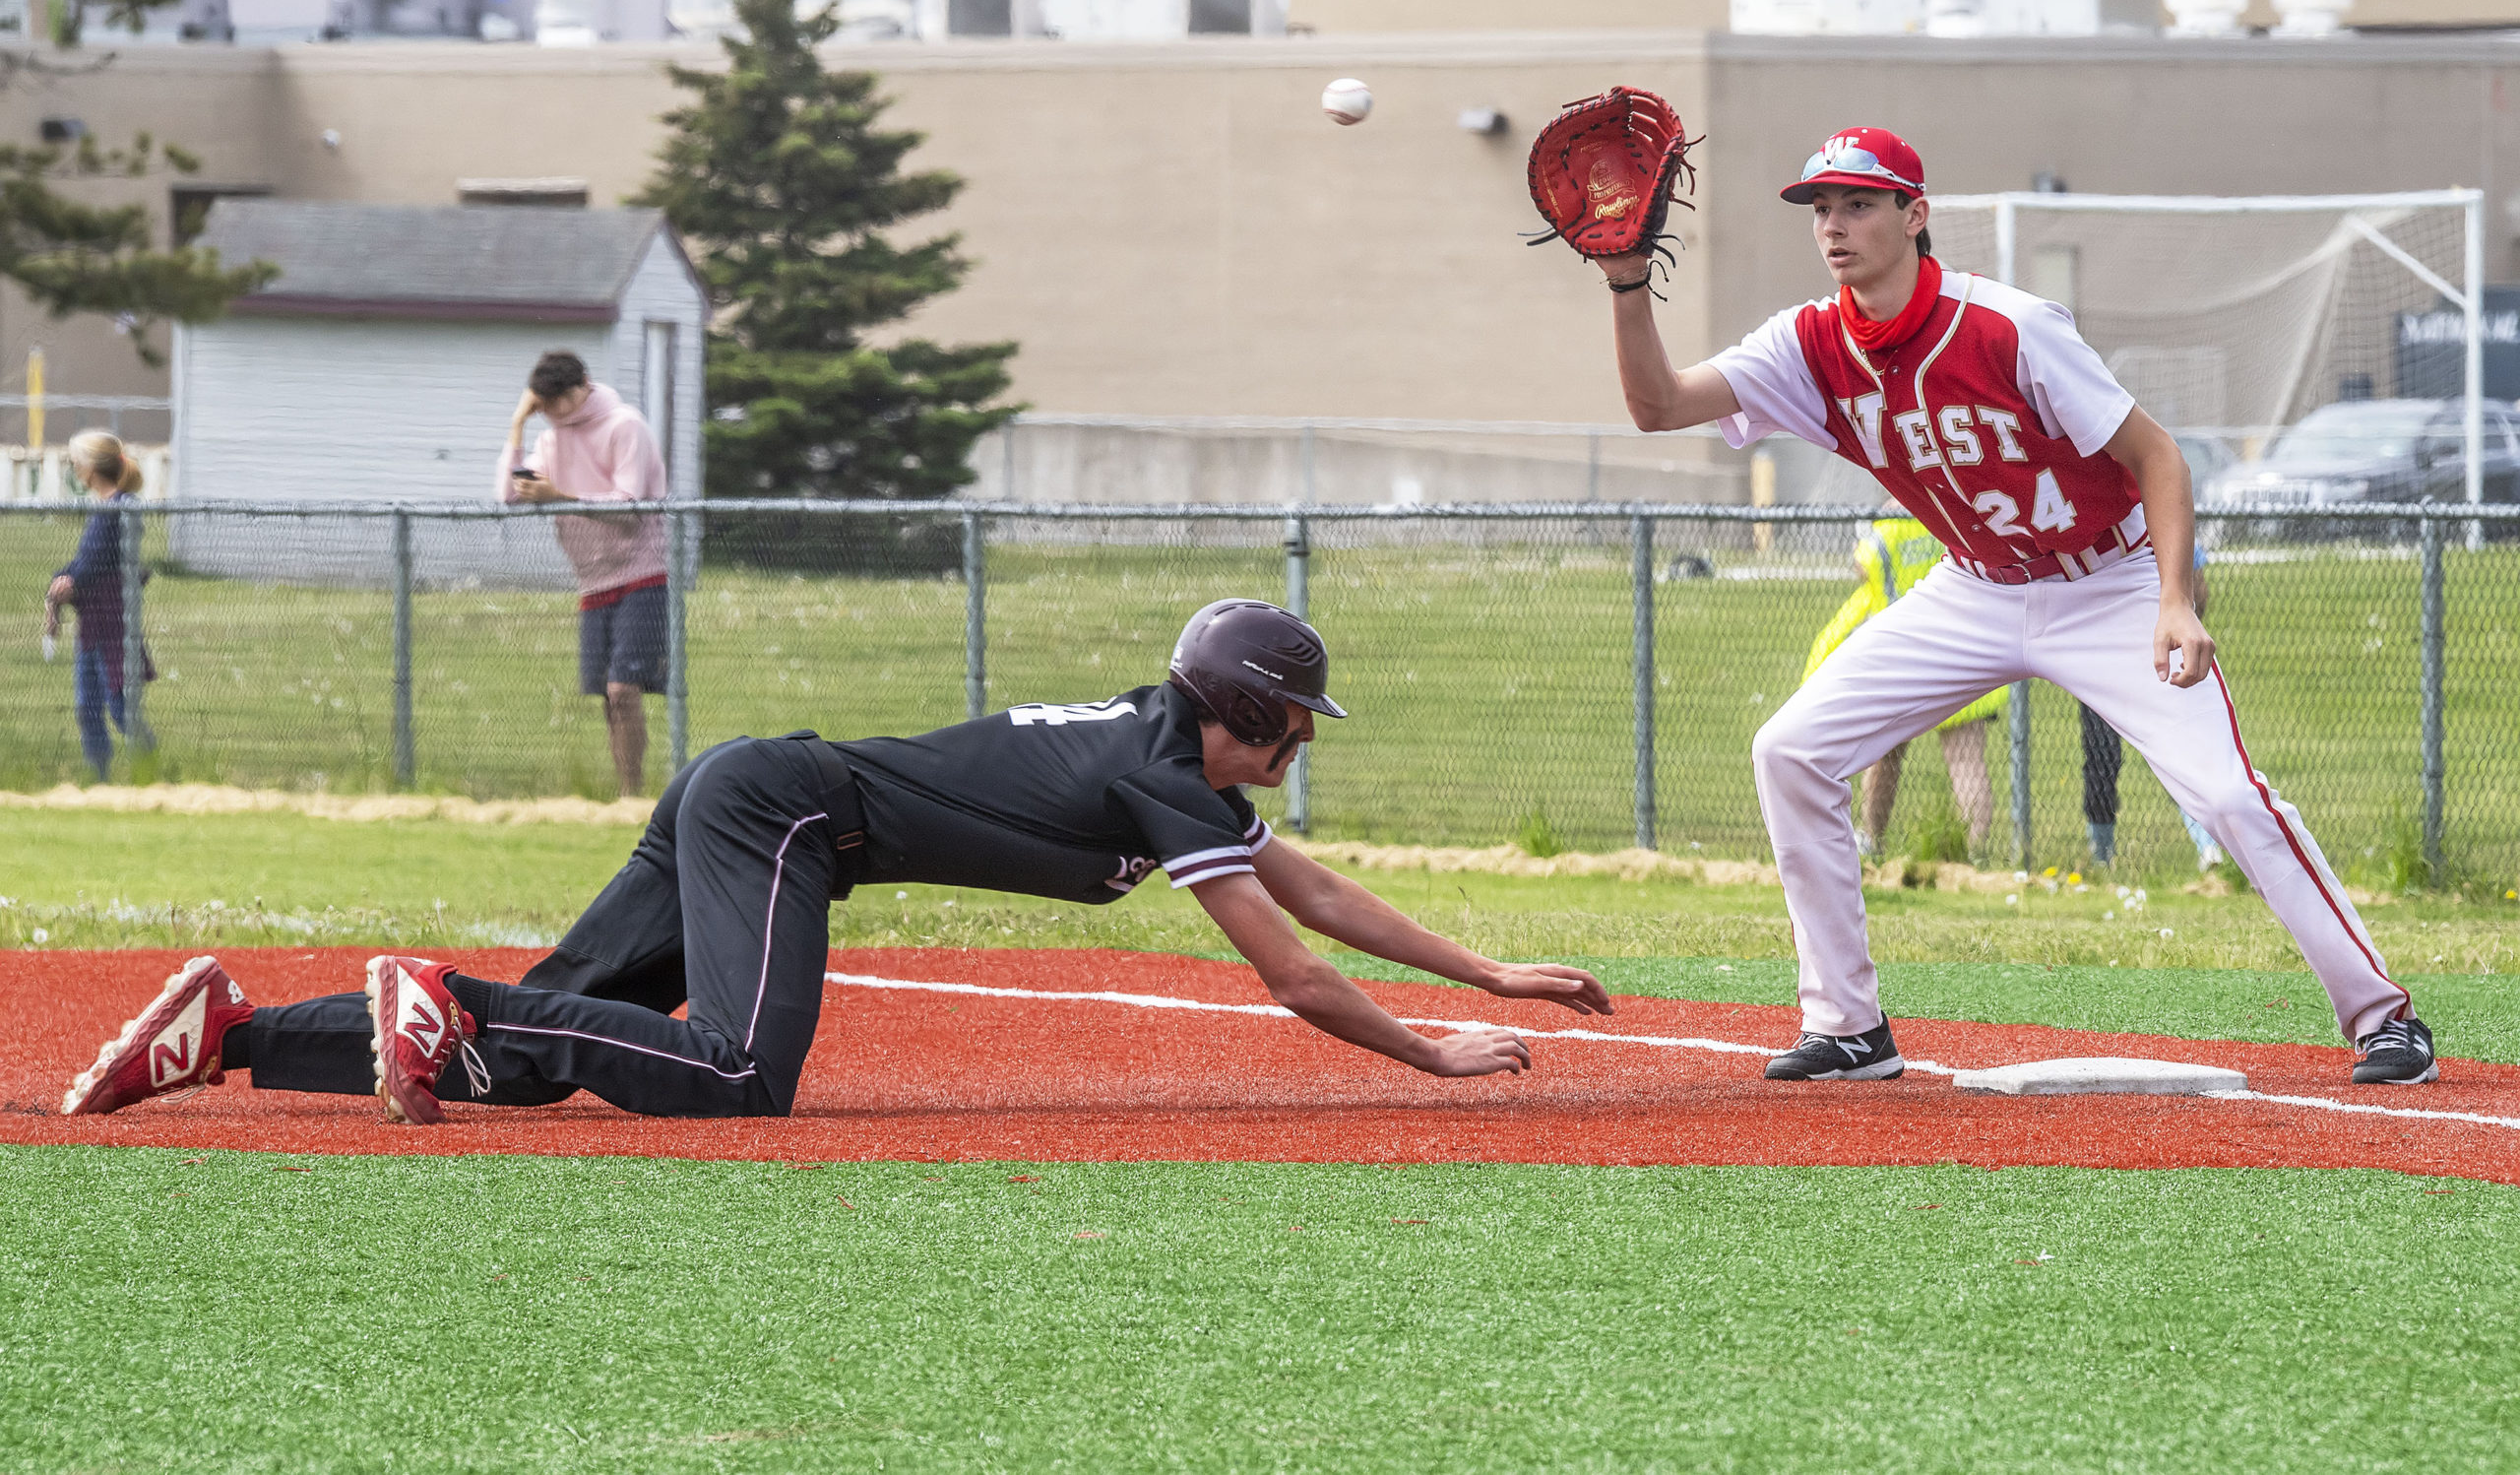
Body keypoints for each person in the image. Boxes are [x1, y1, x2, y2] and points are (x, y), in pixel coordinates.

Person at [62, 600, 1614, 1122]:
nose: (1302, 744)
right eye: (1294, 721)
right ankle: (445, 994)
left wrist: (1482, 962)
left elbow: (1311, 890)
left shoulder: (1171, 758)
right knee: (738, 1076)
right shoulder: (1170, 778)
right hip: (783, 814)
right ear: (1246, 713)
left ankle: (240, 1034)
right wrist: (1434, 1053)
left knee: (541, 1054)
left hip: (764, 796)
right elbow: (1291, 969)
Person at [1594, 126, 2435, 1085]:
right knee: (1789, 750)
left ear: (1915, 215)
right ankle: (1848, 1028)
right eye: (1820, 206)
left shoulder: (2008, 325)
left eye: (1858, 203)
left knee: (2228, 797)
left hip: (2107, 584)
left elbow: (2153, 456)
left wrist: (2175, 600)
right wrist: (1627, 283)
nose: (1833, 224)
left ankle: (2382, 1018)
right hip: (1972, 588)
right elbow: (1658, 406)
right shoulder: (1807, 343)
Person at [498, 350, 670, 798]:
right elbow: (507, 496)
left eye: (560, 400)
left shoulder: (624, 425)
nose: (554, 411)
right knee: (607, 700)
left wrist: (561, 496)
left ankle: (634, 798)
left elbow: (629, 508)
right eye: (544, 403)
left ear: (583, 387)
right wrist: (518, 426)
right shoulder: (550, 439)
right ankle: (624, 794)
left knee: (623, 690)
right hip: (592, 580)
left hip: (641, 573)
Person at [1805, 505, 2000, 860]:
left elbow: (1863, 566)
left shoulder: (1889, 527)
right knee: (1966, 761)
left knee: (1884, 757)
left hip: (1902, 657)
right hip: (1960, 648)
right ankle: (1974, 853)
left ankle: (1872, 841)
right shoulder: (1947, 508)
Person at [2081, 542, 2223, 873]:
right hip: (2114, 662)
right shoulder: (2165, 525)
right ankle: (2103, 858)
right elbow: (2198, 594)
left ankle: (2104, 855)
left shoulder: (2152, 525)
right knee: (2114, 756)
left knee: (2158, 755)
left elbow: (2198, 589)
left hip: (2136, 660)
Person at [42, 430, 153, 782]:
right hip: (92, 625)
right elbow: (84, 562)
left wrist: (70, 581)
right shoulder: (103, 509)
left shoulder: (122, 507)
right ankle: (98, 779)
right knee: (87, 708)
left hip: (115, 625)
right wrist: (62, 580)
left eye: (77, 461)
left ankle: (150, 774)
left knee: (121, 708)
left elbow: (92, 564)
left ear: (92, 466)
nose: (75, 467)